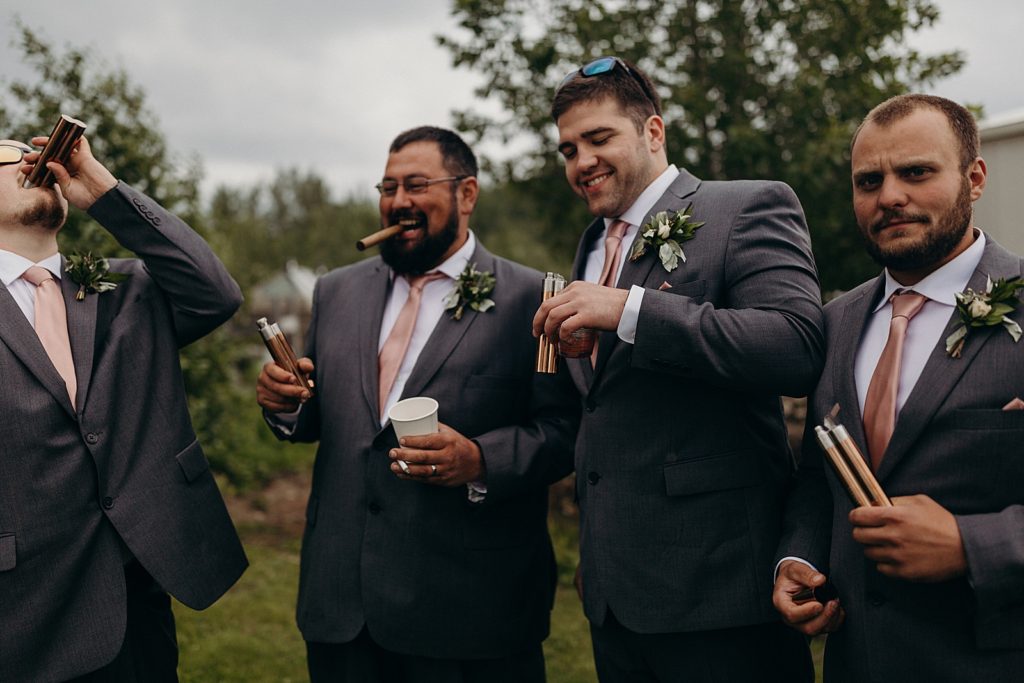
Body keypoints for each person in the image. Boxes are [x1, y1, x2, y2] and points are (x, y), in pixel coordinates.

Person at [532, 56, 823, 681]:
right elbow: (610, 403)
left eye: (599, 138)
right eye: (567, 149)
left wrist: (632, 309)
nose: (581, 162)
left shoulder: (746, 207)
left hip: (720, 594)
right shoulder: (590, 243)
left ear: (654, 132)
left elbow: (796, 346)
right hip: (614, 598)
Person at [256, 126, 578, 683]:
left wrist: (479, 459)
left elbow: (564, 430)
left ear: (467, 194)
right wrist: (285, 402)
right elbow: (319, 414)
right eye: (387, 187)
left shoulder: (534, 296)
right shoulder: (336, 291)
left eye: (416, 185)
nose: (397, 201)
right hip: (342, 608)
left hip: (472, 611)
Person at [774, 94, 1024, 681]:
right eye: (869, 181)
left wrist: (971, 544)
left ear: (975, 177)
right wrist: (797, 557)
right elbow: (819, 475)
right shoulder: (833, 323)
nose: (889, 196)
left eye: (916, 172)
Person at [0, 133, 246, 682]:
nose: (32, 162)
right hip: (25, 608)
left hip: (140, 597)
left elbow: (216, 294)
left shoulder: (126, 289)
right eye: (10, 155)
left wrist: (105, 191)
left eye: (32, 152)